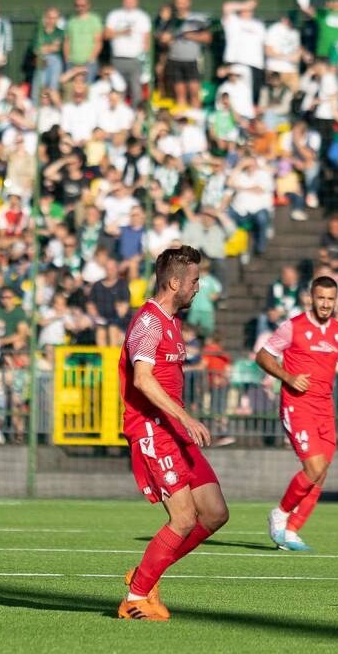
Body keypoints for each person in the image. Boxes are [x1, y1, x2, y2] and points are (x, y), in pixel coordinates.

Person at [117, 246, 229, 620]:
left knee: (214, 514)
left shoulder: (173, 322)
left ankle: (145, 577)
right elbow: (142, 379)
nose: (198, 287)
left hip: (173, 428)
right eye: (195, 280)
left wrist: (182, 421)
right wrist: (187, 418)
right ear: (175, 281)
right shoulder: (148, 322)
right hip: (152, 428)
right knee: (182, 519)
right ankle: (136, 597)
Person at [258, 276, 338, 551]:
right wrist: (287, 376)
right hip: (297, 405)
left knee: (320, 473)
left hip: (325, 408)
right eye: (320, 298)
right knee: (315, 467)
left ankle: (291, 532)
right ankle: (280, 514)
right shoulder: (293, 327)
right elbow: (263, 356)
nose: (325, 304)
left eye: (330, 299)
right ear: (311, 298)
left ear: (337, 301)